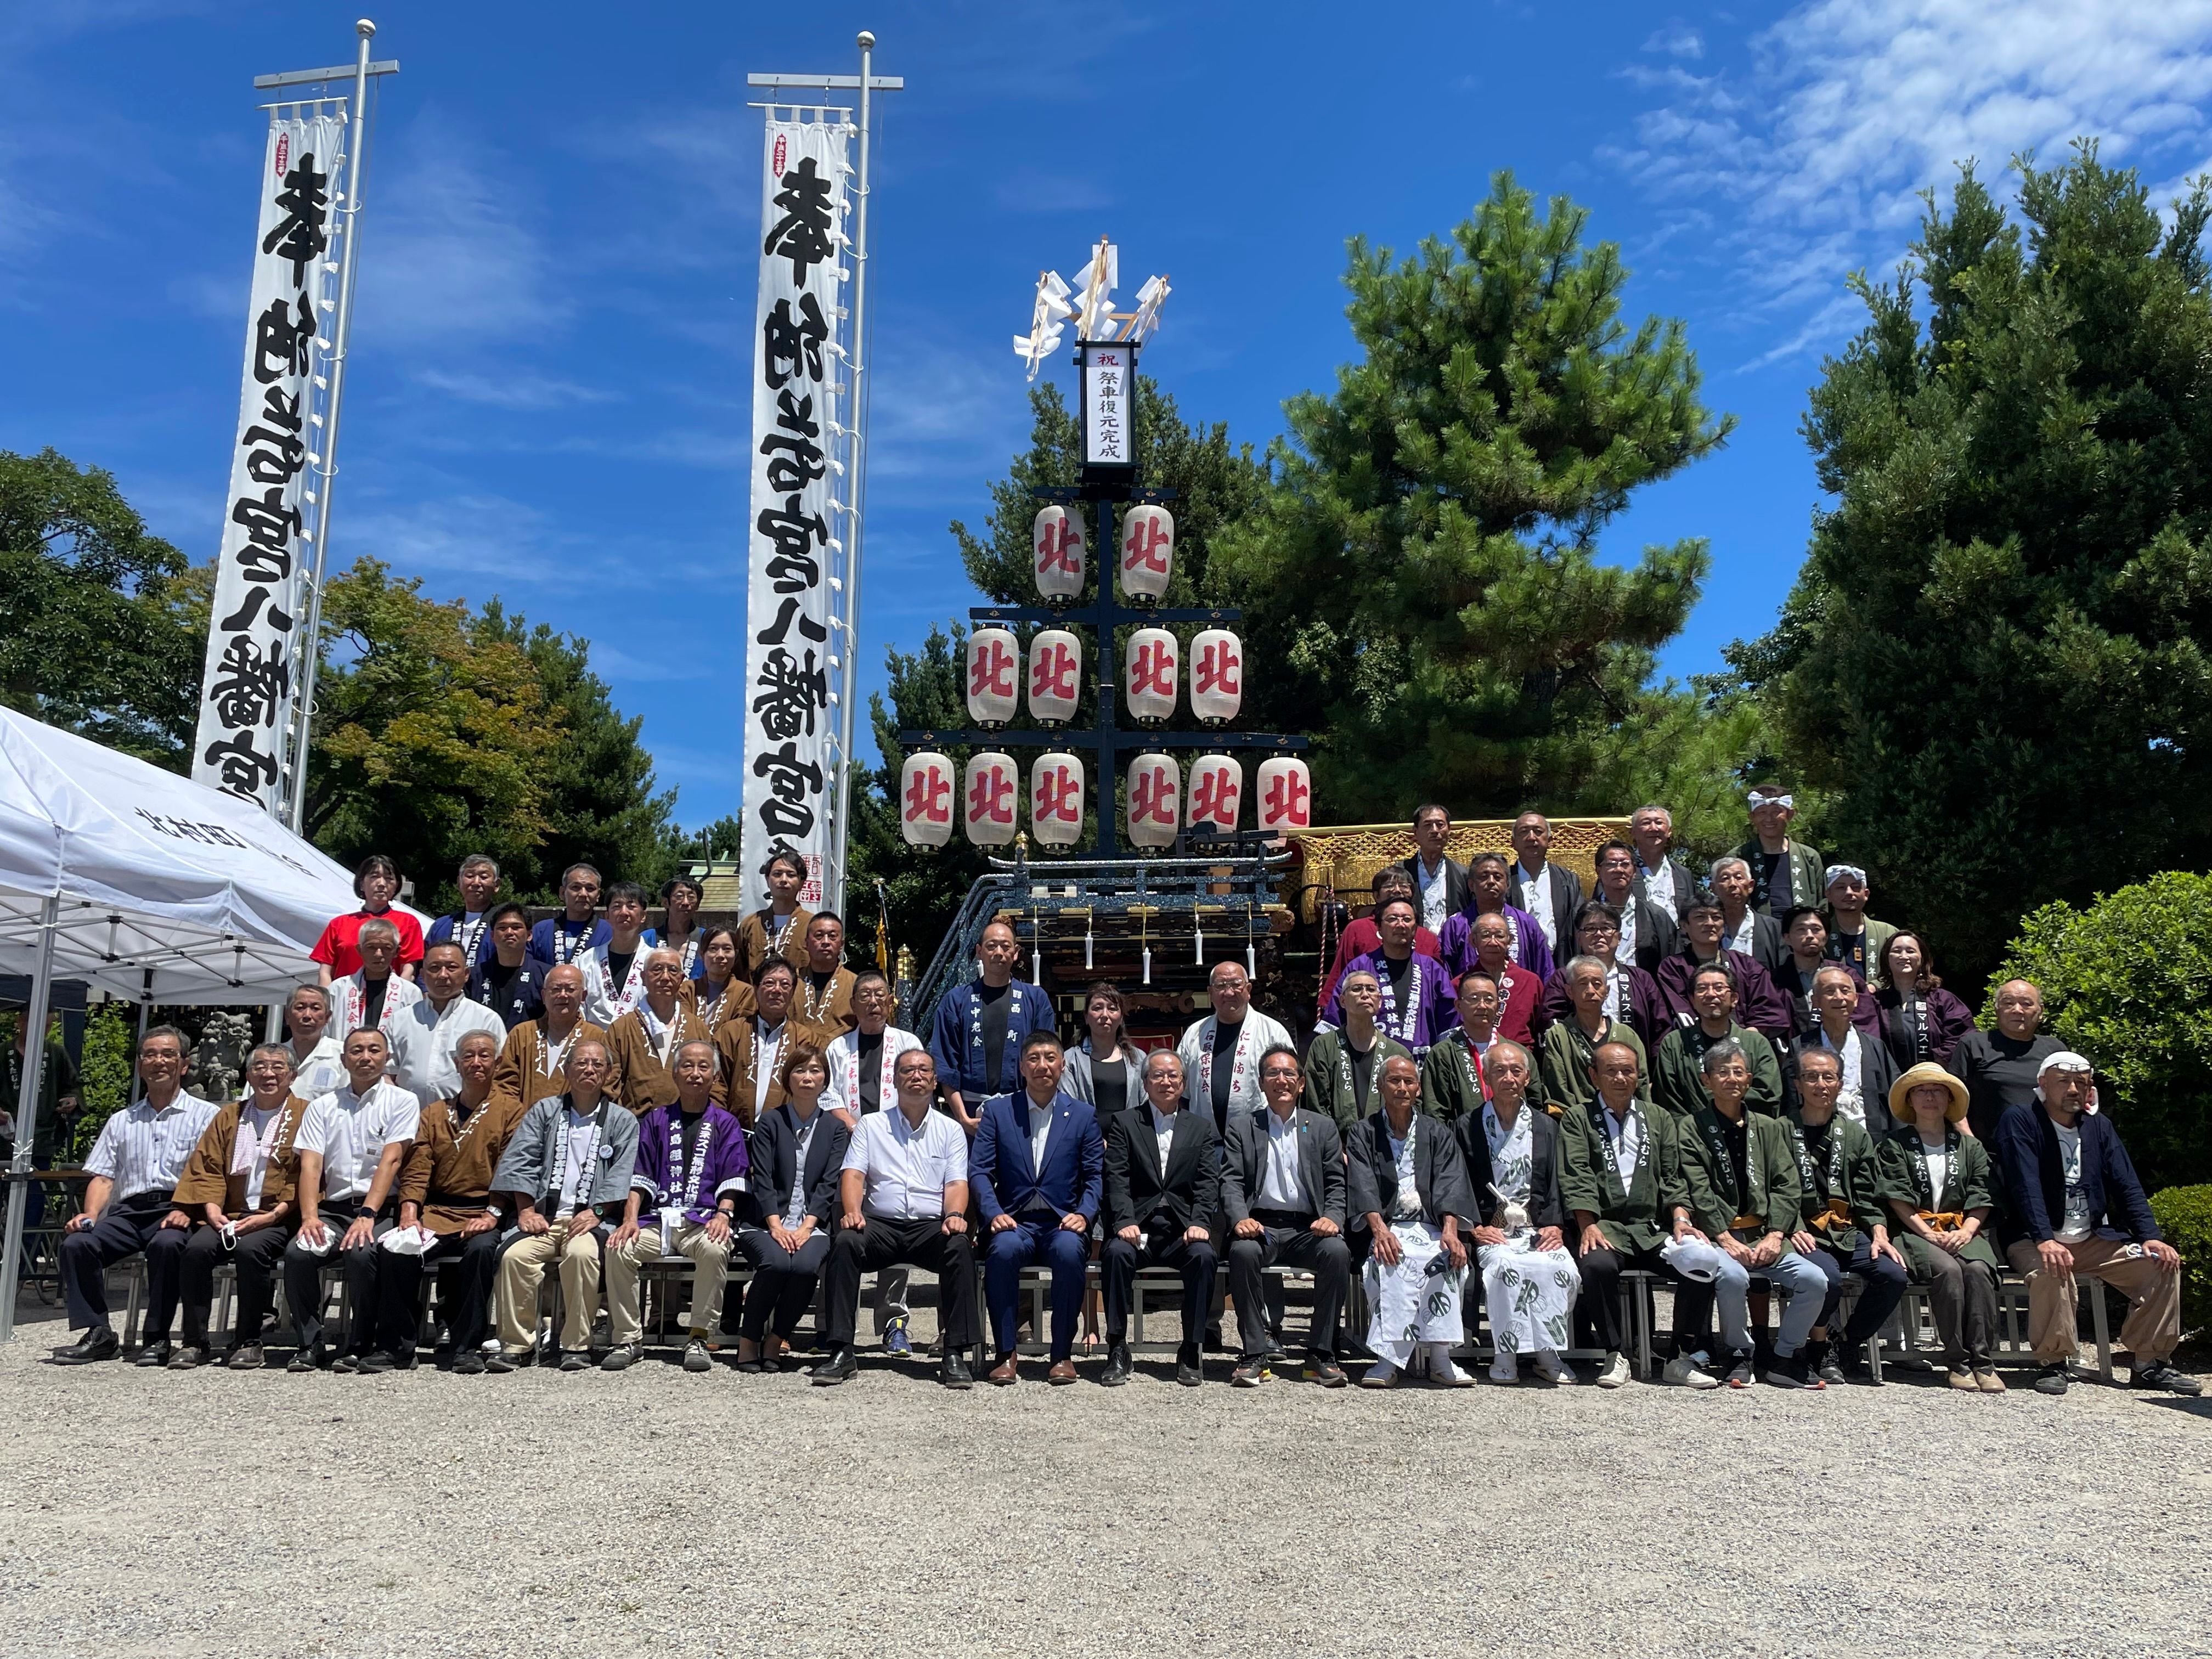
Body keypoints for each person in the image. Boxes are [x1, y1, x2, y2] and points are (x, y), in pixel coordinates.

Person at [1993, 1052, 2198, 1397]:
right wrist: (2045, 1239)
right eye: (2063, 1081)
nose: (2073, 1089)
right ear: (2043, 1084)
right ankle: (2054, 1361)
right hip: (2033, 1238)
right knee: (2051, 1268)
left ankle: (2150, 1364)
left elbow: (2127, 1183)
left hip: (2091, 1237)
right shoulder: (2022, 1119)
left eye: (2081, 1082)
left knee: (2161, 1266)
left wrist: (2151, 1237)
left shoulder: (2098, 1126)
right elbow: (2023, 1183)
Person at [812, 1048, 981, 1389]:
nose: (916, 1076)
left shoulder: (950, 1130)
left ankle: (954, 1353)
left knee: (959, 1247)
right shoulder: (872, 1126)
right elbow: (854, 1175)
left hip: (929, 1226)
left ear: (935, 1081)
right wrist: (853, 1212)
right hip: (879, 1225)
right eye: (907, 1071)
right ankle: (841, 1350)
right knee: (845, 1243)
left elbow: (956, 1183)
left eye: (923, 1071)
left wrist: (954, 1215)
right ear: (894, 1080)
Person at [50, 1027, 218, 1366]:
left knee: (167, 1245)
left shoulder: (207, 1115)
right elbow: (104, 1175)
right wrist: (91, 1216)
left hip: (178, 1206)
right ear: (141, 1065)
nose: (159, 1062)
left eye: (168, 1055)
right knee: (77, 1244)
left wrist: (190, 1208)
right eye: (150, 1055)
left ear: (184, 1065)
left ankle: (156, 1338)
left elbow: (212, 1173)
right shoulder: (120, 1121)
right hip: (129, 1211)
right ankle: (99, 1333)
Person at [1675, 1040, 1831, 1388]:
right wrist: (1725, 1238)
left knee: (1814, 1280)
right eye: (1723, 1072)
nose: (1732, 1079)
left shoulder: (1769, 1126)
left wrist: (1777, 1234)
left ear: (1749, 1079)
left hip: (1765, 1235)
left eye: (1739, 1072)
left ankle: (1785, 1356)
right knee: (1733, 1278)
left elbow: (1787, 1184)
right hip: (1718, 1236)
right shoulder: (1691, 1127)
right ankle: (1739, 1353)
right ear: (1707, 1080)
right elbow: (1698, 1188)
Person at [486, 1039, 641, 1372]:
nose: (589, 1070)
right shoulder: (544, 1111)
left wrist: (598, 1211)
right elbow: (520, 1161)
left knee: (582, 1255)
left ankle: (576, 1344)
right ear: (567, 1070)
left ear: (609, 1073)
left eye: (598, 1065)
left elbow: (623, 1171)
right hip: (544, 1217)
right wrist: (526, 1211)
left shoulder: (622, 1119)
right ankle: (518, 1345)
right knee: (514, 1257)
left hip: (590, 1219)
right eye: (582, 1063)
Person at [602, 1038, 751, 1373]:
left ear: (714, 1076)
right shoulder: (654, 1120)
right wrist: (629, 1219)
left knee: (715, 1249)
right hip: (657, 1219)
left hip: (702, 1219)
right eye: (688, 1065)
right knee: (618, 1248)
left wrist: (724, 1214)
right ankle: (627, 1337)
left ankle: (698, 1335)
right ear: (674, 1073)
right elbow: (639, 1176)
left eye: (703, 1067)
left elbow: (734, 1175)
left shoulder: (725, 1123)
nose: (695, 1073)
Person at [1556, 1040, 1697, 1390]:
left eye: (1628, 1070)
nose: (1620, 1077)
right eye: (1611, 1071)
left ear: (1638, 1075)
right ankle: (1614, 1352)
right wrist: (1586, 1224)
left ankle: (1681, 1356)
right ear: (1594, 1075)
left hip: (1651, 1227)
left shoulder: (1659, 1117)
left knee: (1700, 1263)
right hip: (1606, 1226)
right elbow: (1576, 1172)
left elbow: (1672, 1175)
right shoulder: (1579, 1118)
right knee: (1596, 1265)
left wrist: (1681, 1218)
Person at [283, 1028, 421, 1373]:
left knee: (363, 1254)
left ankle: (359, 1343)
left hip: (380, 1209)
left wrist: (368, 1214)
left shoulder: (403, 1101)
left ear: (386, 1057)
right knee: (298, 1254)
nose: (365, 1057)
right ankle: (310, 1343)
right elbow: (311, 1164)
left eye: (374, 1050)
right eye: (356, 1051)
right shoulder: (323, 1106)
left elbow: (392, 1159)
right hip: (334, 1210)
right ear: (344, 1060)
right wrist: (309, 1218)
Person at [972, 1030, 1104, 1384]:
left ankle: (1062, 1353)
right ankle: (1006, 1352)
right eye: (1034, 1058)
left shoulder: (1082, 1115)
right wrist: (993, 1212)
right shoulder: (999, 1112)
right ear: (1022, 1066)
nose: (1042, 1066)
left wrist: (1084, 1213)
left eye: (1050, 1058)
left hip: (1062, 1221)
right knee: (1001, 1252)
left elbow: (1094, 1175)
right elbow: (980, 1171)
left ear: (1062, 1065)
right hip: (1014, 1220)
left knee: (1068, 1253)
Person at [1220, 1046, 1351, 1387]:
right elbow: (1231, 1181)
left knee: (1337, 1252)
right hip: (1260, 1226)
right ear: (1262, 1083)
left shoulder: (1321, 1127)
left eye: (1289, 1073)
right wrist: (1238, 1218)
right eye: (1273, 1074)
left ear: (1301, 1083)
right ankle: (1254, 1354)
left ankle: (1320, 1354)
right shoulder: (1243, 1127)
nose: (1282, 1080)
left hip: (1308, 1227)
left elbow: (1337, 1182)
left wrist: (1334, 1217)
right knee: (1242, 1252)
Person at [170, 1043, 307, 1369]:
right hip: (229, 1214)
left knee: (250, 1251)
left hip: (279, 1217)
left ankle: (249, 1339)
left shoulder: (307, 1113)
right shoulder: (230, 1115)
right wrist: (211, 1209)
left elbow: (308, 1171)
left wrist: (274, 1215)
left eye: (277, 1067)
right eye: (260, 1067)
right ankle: (195, 1341)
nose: (268, 1074)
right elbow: (208, 1166)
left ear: (292, 1075)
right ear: (248, 1075)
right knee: (196, 1250)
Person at [388, 1028, 516, 1374]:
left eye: (485, 1055)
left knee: (479, 1253)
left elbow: (512, 1167)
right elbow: (417, 1167)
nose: (477, 1063)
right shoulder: (433, 1113)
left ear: (498, 1062)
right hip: (436, 1210)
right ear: (457, 1062)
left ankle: (466, 1346)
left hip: (485, 1211)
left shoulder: (511, 1111)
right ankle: (398, 1346)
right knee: (397, 1250)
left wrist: (493, 1213)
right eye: (469, 1056)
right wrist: (410, 1211)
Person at [1347, 1053, 1475, 1387]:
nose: (1402, 1088)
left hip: (1431, 1225)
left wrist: (1451, 1231)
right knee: (1389, 1256)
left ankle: (1441, 1358)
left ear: (1419, 1089)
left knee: (1447, 1257)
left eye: (1409, 1082)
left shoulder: (1437, 1131)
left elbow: (1451, 1181)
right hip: (1387, 1224)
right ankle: (1387, 1359)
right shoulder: (1363, 1132)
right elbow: (1362, 1183)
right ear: (1380, 1086)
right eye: (1394, 1081)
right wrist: (1379, 1230)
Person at [1457, 1039, 1579, 1386]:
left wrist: (1556, 1225)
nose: (1508, 1077)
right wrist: (1474, 1227)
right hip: (1491, 1228)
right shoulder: (1467, 1125)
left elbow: (1558, 1180)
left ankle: (1547, 1353)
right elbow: (1459, 1182)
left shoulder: (1546, 1126)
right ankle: (1505, 1353)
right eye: (1500, 1070)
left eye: (1516, 1071)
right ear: (1487, 1077)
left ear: (1527, 1077)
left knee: (1559, 1267)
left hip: (1535, 1226)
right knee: (1504, 1268)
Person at [1877, 1063, 2004, 1390]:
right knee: (1948, 1271)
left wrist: (1967, 1230)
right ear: (1911, 1100)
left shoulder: (1969, 1146)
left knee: (1977, 1269)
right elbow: (1897, 1198)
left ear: (1949, 1100)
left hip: (1963, 1228)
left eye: (1938, 1091)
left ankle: (1984, 1361)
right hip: (1915, 1230)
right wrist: (1928, 1232)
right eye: (1921, 1090)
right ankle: (1957, 1361)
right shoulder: (1895, 1145)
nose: (1930, 1097)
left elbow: (1982, 1192)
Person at [1786, 1046, 1907, 1386]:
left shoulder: (1854, 1134)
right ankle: (1818, 1346)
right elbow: (1772, 1190)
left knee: (1893, 1274)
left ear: (1840, 1084)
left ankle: (1848, 1343)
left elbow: (1869, 1193)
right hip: (1802, 1231)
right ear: (1797, 1083)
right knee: (1829, 1279)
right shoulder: (1780, 1129)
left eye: (1829, 1077)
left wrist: (1880, 1232)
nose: (1820, 1084)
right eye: (1811, 1077)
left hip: (1845, 1230)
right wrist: (1790, 1227)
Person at [1099, 1050, 1218, 1388]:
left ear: (1183, 1083)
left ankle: (1191, 1348)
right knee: (1116, 1255)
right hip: (1139, 1225)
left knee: (1205, 1257)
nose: (1166, 1082)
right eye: (1158, 1076)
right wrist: (1123, 1221)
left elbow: (1208, 1182)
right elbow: (1117, 1178)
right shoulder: (1125, 1123)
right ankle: (1118, 1347)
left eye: (1173, 1076)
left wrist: (1201, 1222)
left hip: (1182, 1228)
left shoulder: (1201, 1127)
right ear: (1146, 1082)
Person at [821, 969, 925, 1353]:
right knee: (842, 1235)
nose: (873, 1001)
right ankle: (830, 1326)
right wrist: (853, 1124)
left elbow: (916, 1091)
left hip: (896, 1148)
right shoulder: (838, 1048)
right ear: (853, 1004)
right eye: (865, 995)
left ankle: (894, 1324)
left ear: (890, 1001)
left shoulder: (907, 1042)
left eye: (880, 994)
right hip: (849, 1147)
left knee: (894, 1232)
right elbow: (827, 1095)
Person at [737, 1042, 853, 1372]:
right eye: (800, 1070)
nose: (807, 1077)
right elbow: (763, 1178)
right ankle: (748, 1340)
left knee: (804, 1267)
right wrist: (775, 1225)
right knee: (775, 1264)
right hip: (764, 1223)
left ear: (825, 1080)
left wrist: (806, 1227)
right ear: (788, 1079)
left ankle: (776, 1338)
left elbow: (829, 1183)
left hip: (811, 1224)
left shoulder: (834, 1129)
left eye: (815, 1071)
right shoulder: (770, 1122)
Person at [927, 921, 1054, 1131]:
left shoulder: (1035, 1000)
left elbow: (1046, 1060)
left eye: (1006, 947)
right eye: (991, 946)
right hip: (970, 1113)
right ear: (979, 952)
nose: (999, 953)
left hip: (1024, 1113)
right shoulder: (957, 1001)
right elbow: (946, 1065)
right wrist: (963, 1118)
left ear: (1016, 953)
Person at [1176, 958, 1296, 1139]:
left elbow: (1290, 1086)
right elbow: (1181, 1092)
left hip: (1260, 1139)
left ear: (1248, 990)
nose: (1229, 992)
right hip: (1205, 1143)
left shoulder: (1272, 1031)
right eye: (1221, 985)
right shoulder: (1195, 1033)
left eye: (1236, 984)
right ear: (1210, 992)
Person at [1322, 898, 1456, 1053]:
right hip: (1368, 1065)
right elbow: (1336, 1017)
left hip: (1421, 1066)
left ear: (1416, 928)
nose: (1400, 925)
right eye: (1392, 919)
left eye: (1407, 919)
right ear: (1379, 928)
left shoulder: (1432, 969)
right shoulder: (1359, 967)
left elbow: (1449, 1023)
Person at [1651, 965, 1784, 1119]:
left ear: (1734, 999)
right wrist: (1694, 1130)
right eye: (1702, 989)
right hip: (1692, 1137)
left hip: (1747, 1133)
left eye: (1719, 988)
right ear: (1692, 1001)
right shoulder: (1675, 1043)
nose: (1710, 994)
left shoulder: (1756, 1043)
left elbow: (1768, 1096)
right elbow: (1668, 1101)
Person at [489, 964, 619, 1120]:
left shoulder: (596, 1038)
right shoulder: (521, 1034)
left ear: (584, 996)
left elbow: (606, 1084)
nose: (563, 995)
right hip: (523, 1128)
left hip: (576, 1128)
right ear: (544, 996)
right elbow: (505, 1084)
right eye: (556, 989)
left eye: (570, 989)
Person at [388, 940, 507, 1108]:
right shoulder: (401, 1019)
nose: (443, 975)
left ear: (466, 974)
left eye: (451, 967)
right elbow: (388, 1073)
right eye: (435, 968)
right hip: (408, 1119)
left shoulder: (486, 1019)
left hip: (464, 1119)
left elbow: (500, 1074)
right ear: (422, 974)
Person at [1655, 900, 1791, 1043]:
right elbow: (1680, 1011)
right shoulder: (1673, 967)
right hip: (1695, 1046)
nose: (1710, 923)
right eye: (1700, 917)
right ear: (1684, 926)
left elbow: (1767, 1009)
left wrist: (1745, 1038)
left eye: (1716, 917)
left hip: (1745, 1046)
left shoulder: (1746, 964)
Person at [715, 958, 828, 1129]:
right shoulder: (730, 1033)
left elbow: (813, 1090)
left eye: (785, 985)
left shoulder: (806, 1039)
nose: (777, 990)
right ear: (756, 989)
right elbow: (717, 1086)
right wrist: (722, 1128)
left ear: (793, 992)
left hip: (787, 1135)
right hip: (735, 1135)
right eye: (769, 983)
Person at [1538, 903, 1671, 1048]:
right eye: (1590, 928)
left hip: (1631, 1064)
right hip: (1579, 1063)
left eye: (1607, 928)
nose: (1599, 934)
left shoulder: (1641, 979)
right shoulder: (1564, 977)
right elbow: (1551, 1020)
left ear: (1619, 937)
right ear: (1579, 938)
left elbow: (1661, 1029)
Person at [605, 947, 716, 1115]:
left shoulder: (698, 1028)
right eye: (657, 969)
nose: (665, 977)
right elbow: (609, 1086)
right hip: (635, 1126)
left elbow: (712, 1081)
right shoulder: (621, 1028)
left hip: (687, 1125)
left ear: (682, 979)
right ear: (643, 977)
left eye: (673, 970)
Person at [1537, 956, 1651, 1118]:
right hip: (1578, 1122)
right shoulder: (1560, 1035)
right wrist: (1582, 1122)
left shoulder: (1627, 1035)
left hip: (1626, 1119)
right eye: (1583, 984)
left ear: (1607, 991)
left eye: (1597, 984)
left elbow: (1641, 1084)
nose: (1591, 990)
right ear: (1570, 991)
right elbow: (1558, 1089)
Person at [1950, 978, 2062, 1141]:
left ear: (2041, 1011)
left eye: (2026, 1004)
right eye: (2008, 1003)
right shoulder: (1974, 1045)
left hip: (2047, 1149)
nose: (2017, 1010)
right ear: (1997, 1010)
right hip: (1990, 1153)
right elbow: (1952, 1098)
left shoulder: (2055, 1050)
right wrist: (1971, 1144)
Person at [1791, 966, 1897, 1133]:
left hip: (1870, 1137)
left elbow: (1894, 1098)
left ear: (1856, 999)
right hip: (1816, 1137)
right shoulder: (1800, 1046)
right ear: (1816, 1001)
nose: (1839, 997)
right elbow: (1791, 1099)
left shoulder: (1875, 1046)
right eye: (1830, 991)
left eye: (1845, 991)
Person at [1317, 867, 1442, 1008]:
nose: (1397, 890)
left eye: (1404, 886)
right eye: (1389, 886)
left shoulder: (1428, 938)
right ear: (1376, 896)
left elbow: (1438, 983)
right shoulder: (1357, 929)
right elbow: (1341, 972)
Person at [1305, 969, 1414, 1128]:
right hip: (1337, 1147)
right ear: (1342, 1001)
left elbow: (1410, 1104)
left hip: (1388, 1145)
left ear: (1380, 1001)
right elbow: (1315, 1103)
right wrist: (1333, 1146)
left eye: (1371, 989)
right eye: (1356, 989)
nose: (1365, 994)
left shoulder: (1398, 1053)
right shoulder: (1324, 1046)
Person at [1438, 853, 1556, 983]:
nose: (1491, 882)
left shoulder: (1527, 923)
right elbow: (1444, 974)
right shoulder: (1456, 925)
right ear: (1471, 885)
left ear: (1508, 884)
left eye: (1498, 877)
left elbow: (1546, 972)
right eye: (1484, 877)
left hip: (1519, 998)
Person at [312, 853, 424, 984]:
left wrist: (397, 998)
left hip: (389, 999)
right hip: (344, 999)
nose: (382, 884)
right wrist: (328, 1001)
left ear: (396, 887)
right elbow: (325, 971)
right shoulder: (339, 924)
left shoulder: (408, 923)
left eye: (389, 879)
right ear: (361, 884)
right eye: (374, 877)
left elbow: (408, 970)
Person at [1873, 932, 1974, 1073]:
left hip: (1935, 1080)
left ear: (1922, 959)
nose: (1904, 956)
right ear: (1887, 959)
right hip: (1889, 1084)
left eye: (1911, 951)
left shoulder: (1942, 1000)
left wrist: (1936, 1063)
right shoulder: (1877, 1002)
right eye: (1897, 951)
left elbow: (1963, 1035)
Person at [1420, 970, 1505, 1122]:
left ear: (1498, 1006)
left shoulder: (1514, 1052)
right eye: (1474, 999)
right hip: (1460, 1143)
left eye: (1489, 999)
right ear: (1459, 1005)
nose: (1482, 1005)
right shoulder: (1442, 1054)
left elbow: (1533, 1103)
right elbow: (1435, 1113)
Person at [1772, 906, 1869, 1037]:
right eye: (1801, 930)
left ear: (1827, 936)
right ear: (1787, 938)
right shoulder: (1773, 980)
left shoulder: (1845, 975)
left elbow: (1866, 1019)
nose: (1810, 936)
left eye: (1816, 930)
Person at [329, 917, 424, 1048]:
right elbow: (326, 1036)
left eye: (386, 948)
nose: (378, 954)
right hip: (345, 1065)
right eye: (371, 947)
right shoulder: (338, 989)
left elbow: (415, 1038)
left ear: (396, 952)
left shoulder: (410, 992)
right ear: (359, 950)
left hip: (391, 1066)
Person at [1590, 840, 1680, 977]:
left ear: (1634, 871)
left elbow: (1672, 965)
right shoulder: (1583, 916)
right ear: (1599, 871)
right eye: (1611, 864)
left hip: (1644, 993)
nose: (1619, 869)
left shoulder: (1656, 916)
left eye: (1625, 864)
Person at [1506, 810, 1584, 963]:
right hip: (1516, 963)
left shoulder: (1568, 880)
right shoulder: (1505, 880)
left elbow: (1578, 924)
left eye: (1538, 831)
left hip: (1560, 962)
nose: (1531, 837)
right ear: (1513, 843)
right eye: (1524, 832)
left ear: (1550, 840)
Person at [1735, 787, 1824, 917]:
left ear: (1790, 815)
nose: (1769, 819)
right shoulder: (1738, 857)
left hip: (1800, 930)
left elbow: (1822, 901)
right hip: (1755, 932)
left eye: (1776, 812)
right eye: (1762, 813)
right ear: (1752, 817)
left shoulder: (1809, 857)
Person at [466, 903, 552, 1032]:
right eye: (502, 928)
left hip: (529, 1048)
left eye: (516, 927)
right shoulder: (474, 976)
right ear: (492, 936)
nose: (509, 932)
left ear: (529, 935)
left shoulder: (546, 976)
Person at [1460, 911, 1543, 1044]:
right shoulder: (1460, 984)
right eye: (1486, 936)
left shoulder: (1531, 982)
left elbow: (1540, 1031)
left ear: (1510, 941)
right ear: (1474, 941)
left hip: (1520, 1060)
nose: (1493, 943)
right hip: (1473, 1059)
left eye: (1499, 936)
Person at [580, 881, 655, 1028]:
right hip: (596, 1042)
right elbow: (579, 1008)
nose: (624, 912)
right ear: (607, 915)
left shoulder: (654, 961)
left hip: (642, 1041)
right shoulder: (587, 960)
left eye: (631, 906)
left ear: (643, 916)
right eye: (617, 906)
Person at [1062, 982, 1142, 1119]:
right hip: (1087, 1138)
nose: (1105, 1015)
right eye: (1097, 1008)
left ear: (1121, 1017)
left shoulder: (1138, 1058)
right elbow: (1069, 1106)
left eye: (1112, 1009)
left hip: (1130, 1138)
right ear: (1086, 1017)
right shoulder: (1070, 1060)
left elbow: (1146, 1104)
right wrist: (1093, 1138)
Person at [736, 849, 812, 979]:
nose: (783, 880)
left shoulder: (813, 925)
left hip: (799, 998)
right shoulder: (750, 924)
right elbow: (737, 971)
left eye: (791, 875)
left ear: (801, 883)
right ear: (767, 880)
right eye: (777, 874)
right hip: (755, 998)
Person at [1395, 803, 1469, 932]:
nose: (1435, 831)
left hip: (1453, 946)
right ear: (1416, 832)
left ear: (1449, 830)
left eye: (1440, 825)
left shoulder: (1463, 875)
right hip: (1413, 945)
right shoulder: (1400, 873)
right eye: (1428, 825)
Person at [1821, 865, 1896, 990]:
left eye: (1855, 887)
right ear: (1828, 895)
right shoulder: (1821, 934)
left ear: (1866, 894)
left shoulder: (1888, 932)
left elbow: (1901, 970)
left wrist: (1875, 986)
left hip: (1881, 1004)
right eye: (1841, 888)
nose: (1849, 893)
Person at [424, 853, 503, 968]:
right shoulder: (441, 925)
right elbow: (425, 966)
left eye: (484, 877)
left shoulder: (504, 925)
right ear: (459, 882)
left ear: (496, 885)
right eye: (470, 876)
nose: (476, 883)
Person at [1708, 856, 1786, 972]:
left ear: (1751, 886)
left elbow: (1783, 970)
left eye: (1739, 878)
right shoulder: (1706, 927)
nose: (1733, 884)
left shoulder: (1771, 927)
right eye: (1725, 879)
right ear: (1713, 888)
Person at [529, 862, 611, 968]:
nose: (583, 894)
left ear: (598, 895)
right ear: (562, 893)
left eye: (590, 889)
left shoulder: (610, 932)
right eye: (576, 887)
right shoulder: (541, 931)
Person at [684, 924, 755, 1039]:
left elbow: (739, 1032)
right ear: (702, 954)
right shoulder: (686, 990)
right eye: (713, 949)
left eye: (727, 949)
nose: (720, 955)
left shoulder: (746, 993)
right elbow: (684, 1027)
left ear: (736, 955)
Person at [1628, 806, 1696, 927]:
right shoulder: (1620, 870)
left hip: (1677, 944)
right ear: (1633, 832)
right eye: (1646, 823)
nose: (1653, 828)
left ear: (1669, 831)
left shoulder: (1683, 873)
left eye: (1659, 823)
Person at [280, 982, 347, 1103]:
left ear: (327, 1017)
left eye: (316, 1008)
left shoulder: (343, 1055)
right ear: (287, 1016)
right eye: (300, 1008)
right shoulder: (271, 1056)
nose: (307, 1015)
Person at [793, 912, 857, 1036]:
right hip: (795, 1054)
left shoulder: (855, 984)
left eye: (832, 936)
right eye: (819, 936)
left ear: (841, 945)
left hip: (838, 1054)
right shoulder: (791, 981)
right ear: (806, 943)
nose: (826, 942)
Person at [652, 873, 707, 977]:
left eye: (691, 897)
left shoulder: (707, 939)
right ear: (665, 902)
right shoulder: (647, 938)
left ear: (698, 904)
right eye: (679, 896)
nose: (686, 902)